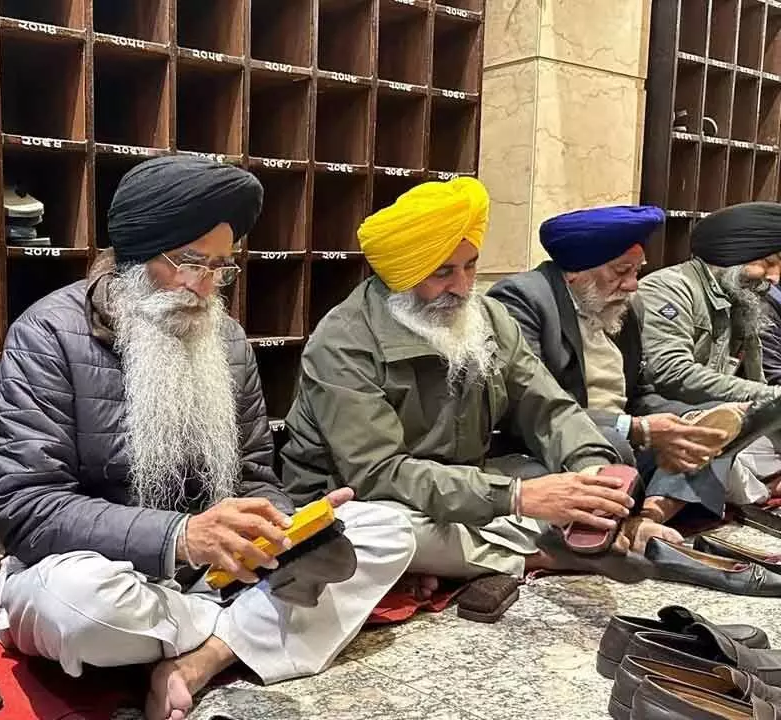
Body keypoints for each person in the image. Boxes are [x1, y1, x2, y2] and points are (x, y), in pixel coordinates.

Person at [0, 156, 415, 720]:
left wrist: (289, 530)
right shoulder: (48, 333)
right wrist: (182, 536)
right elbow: (27, 510)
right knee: (76, 607)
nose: (203, 286)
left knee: (388, 530)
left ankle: (199, 658)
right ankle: (245, 631)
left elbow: (256, 477)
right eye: (188, 262)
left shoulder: (226, 340)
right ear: (134, 256)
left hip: (212, 574)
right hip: (105, 573)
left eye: (220, 268)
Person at [280, 178, 642, 589]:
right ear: (403, 274)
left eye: (470, 265)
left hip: (461, 485)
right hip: (367, 498)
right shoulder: (343, 341)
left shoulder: (487, 317)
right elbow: (379, 473)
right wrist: (517, 498)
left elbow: (548, 408)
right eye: (443, 272)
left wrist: (590, 473)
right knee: (380, 530)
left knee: (594, 464)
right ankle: (536, 555)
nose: (463, 286)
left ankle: (486, 554)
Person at [488, 206, 738, 548]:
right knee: (614, 442)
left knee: (705, 435)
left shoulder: (625, 305)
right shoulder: (523, 299)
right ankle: (627, 519)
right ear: (576, 271)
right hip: (546, 444)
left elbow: (640, 391)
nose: (633, 284)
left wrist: (686, 421)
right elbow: (529, 407)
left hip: (622, 437)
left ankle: (647, 517)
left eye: (637, 271)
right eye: (622, 271)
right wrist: (637, 429)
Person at [638, 202, 781, 505]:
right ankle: (653, 516)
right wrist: (766, 397)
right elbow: (670, 372)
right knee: (717, 428)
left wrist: (772, 405)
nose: (774, 277)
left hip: (727, 417)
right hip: (665, 415)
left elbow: (759, 383)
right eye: (767, 262)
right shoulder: (669, 288)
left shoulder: (743, 298)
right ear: (734, 254)